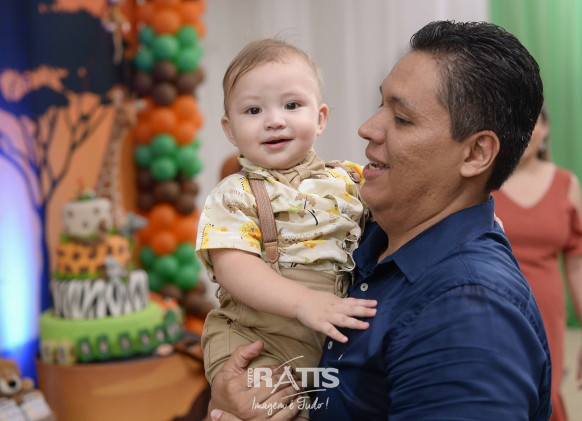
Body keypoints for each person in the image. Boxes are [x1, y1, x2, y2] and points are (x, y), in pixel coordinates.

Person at [206, 20, 553, 421]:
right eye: (380, 105)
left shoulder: (468, 313)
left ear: (475, 154)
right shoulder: (368, 233)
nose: (366, 128)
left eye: (401, 118)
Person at [195, 39, 377, 416]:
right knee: (269, 406)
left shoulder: (350, 180)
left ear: (320, 118)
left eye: (292, 105)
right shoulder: (234, 194)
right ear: (230, 129)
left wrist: (458, 211)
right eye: (253, 110)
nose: (274, 120)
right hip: (256, 337)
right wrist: (303, 301)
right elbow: (233, 268)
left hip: (323, 337)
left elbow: (406, 206)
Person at [493, 106, 582, 421]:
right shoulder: (485, 180)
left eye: (532, 123)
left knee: (546, 395)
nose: (524, 132)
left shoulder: (566, 183)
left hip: (547, 311)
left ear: (545, 129)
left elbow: (577, 265)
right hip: (493, 307)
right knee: (501, 396)